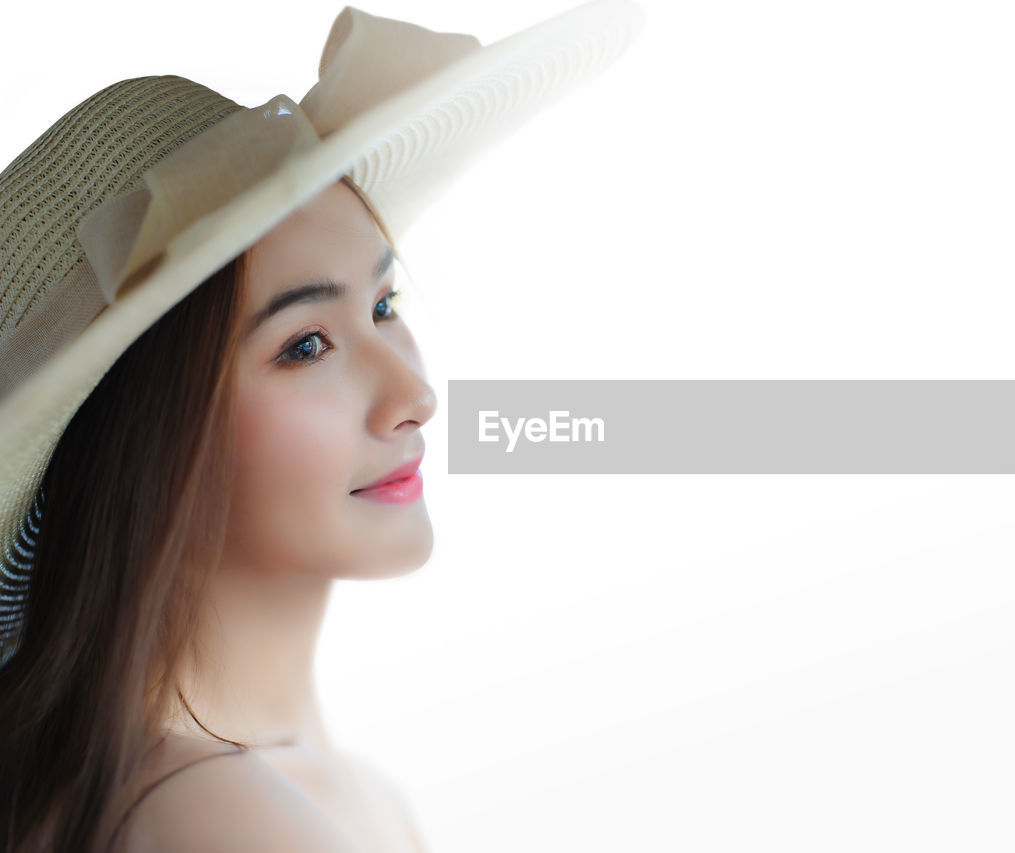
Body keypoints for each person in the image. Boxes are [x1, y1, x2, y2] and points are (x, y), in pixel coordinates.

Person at [0, 3, 642, 851]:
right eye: (305, 344)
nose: (411, 393)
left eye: (385, 305)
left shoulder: (308, 793)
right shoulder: (218, 816)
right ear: (150, 439)